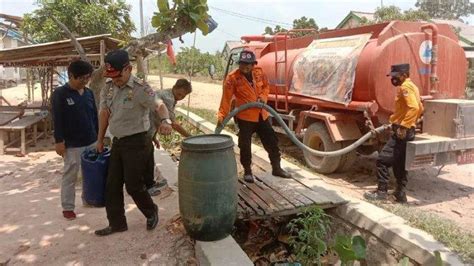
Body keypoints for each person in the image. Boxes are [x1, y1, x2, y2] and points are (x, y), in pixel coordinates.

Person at [94, 50, 171, 236]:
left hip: (138, 142)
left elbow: (159, 104)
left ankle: (151, 211)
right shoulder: (109, 87)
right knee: (111, 185)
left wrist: (165, 121)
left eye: (118, 76)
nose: (116, 80)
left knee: (133, 185)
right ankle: (117, 223)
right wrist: (100, 139)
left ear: (128, 69)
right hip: (118, 142)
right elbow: (104, 113)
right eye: (111, 76)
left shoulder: (141, 88)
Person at [217, 50, 292, 183]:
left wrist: (263, 97)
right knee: (245, 145)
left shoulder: (259, 72)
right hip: (245, 117)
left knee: (272, 142)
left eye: (248, 64)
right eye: (242, 64)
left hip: (262, 115)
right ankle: (247, 171)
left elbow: (266, 87)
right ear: (239, 64)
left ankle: (277, 168)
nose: (245, 67)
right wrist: (222, 115)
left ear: (253, 65)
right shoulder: (232, 78)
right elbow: (226, 98)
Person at [364, 63, 423, 203]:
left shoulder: (405, 87)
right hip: (408, 130)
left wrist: (403, 126)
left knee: (382, 160)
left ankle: (381, 193)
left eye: (396, 76)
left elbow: (414, 107)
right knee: (400, 163)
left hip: (402, 131)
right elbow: (420, 107)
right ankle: (400, 194)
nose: (393, 79)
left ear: (403, 75)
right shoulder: (413, 86)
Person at [51, 60, 98, 220]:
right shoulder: (60, 94)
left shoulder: (89, 93)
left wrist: (99, 137)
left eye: (87, 78)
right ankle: (68, 207)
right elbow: (57, 119)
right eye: (81, 79)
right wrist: (59, 141)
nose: (85, 81)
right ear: (71, 76)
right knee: (70, 176)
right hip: (72, 144)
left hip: (91, 141)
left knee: (92, 174)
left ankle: (90, 199)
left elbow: (94, 116)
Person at [145, 79, 192, 196]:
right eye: (179, 94)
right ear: (174, 87)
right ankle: (147, 186)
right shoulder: (168, 98)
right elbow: (173, 123)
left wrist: (154, 137)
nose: (180, 97)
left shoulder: (168, 94)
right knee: (145, 158)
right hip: (143, 129)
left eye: (183, 96)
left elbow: (156, 117)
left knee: (147, 156)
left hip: (147, 129)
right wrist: (190, 137)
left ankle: (148, 183)